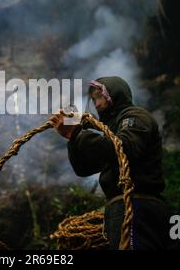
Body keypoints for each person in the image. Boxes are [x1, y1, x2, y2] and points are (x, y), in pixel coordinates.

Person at [50, 76, 171, 250]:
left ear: (115, 94)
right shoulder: (111, 131)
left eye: (100, 96)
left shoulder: (135, 116)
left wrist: (78, 134)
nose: (97, 104)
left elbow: (124, 150)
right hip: (120, 205)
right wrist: (73, 138)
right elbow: (83, 168)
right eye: (94, 99)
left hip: (137, 203)